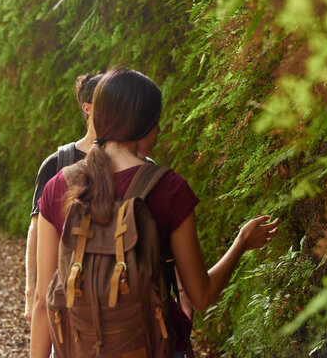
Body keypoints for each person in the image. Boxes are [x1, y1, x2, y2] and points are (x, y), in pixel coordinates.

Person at [30, 68, 280, 357]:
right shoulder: (169, 188)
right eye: (156, 121)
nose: (159, 130)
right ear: (143, 124)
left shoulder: (58, 186)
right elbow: (200, 296)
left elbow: (42, 300)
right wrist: (242, 243)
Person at [24, 73, 103, 324]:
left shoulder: (134, 162)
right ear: (87, 108)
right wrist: (32, 292)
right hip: (66, 297)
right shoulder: (58, 164)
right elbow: (37, 230)